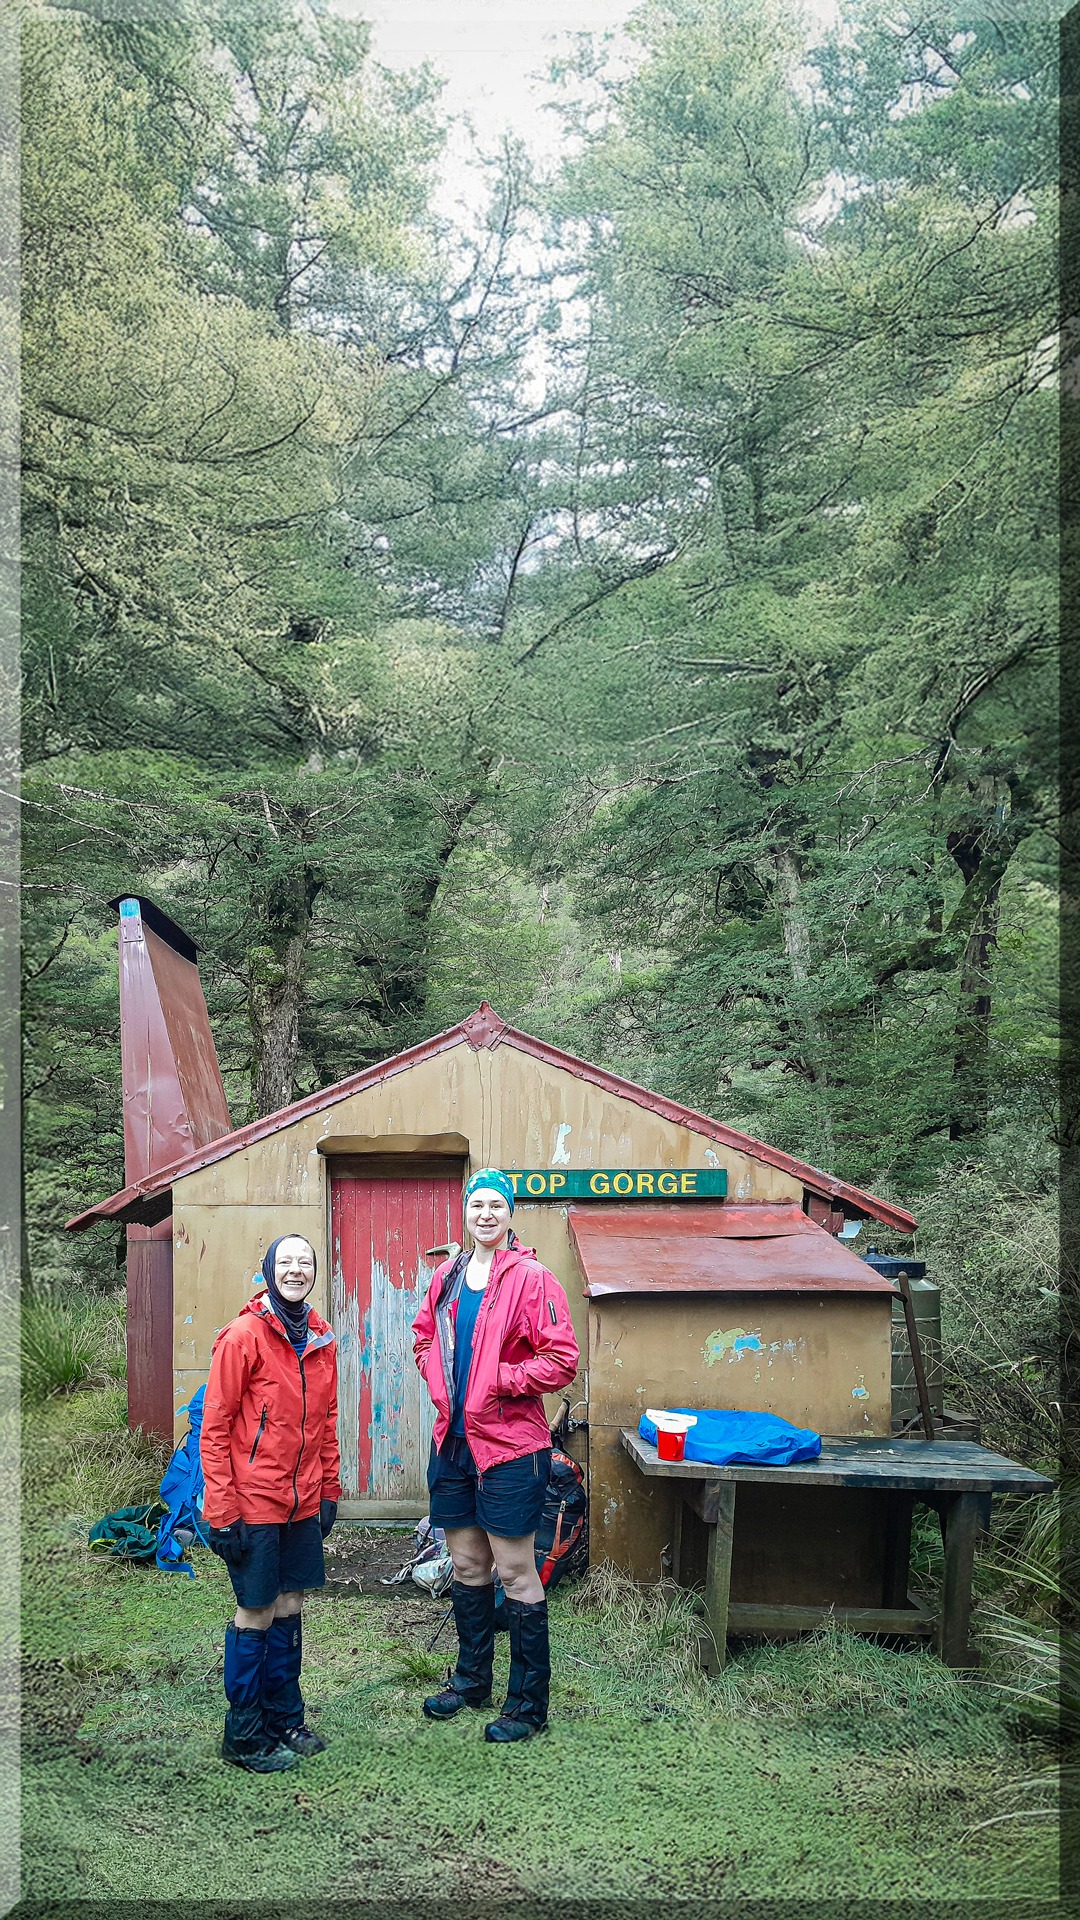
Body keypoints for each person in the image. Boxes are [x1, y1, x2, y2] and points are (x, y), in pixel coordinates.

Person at [412, 1168, 580, 1742]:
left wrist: (500, 1378)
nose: (486, 1214)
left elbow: (561, 1360)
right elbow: (424, 1336)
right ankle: (470, 1680)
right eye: (477, 1204)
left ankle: (528, 1705)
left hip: (510, 1449)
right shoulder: (447, 1276)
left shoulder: (533, 1279)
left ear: (510, 1213)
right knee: (466, 1566)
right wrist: (438, 1381)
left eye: (496, 1206)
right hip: (452, 1444)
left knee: (514, 1570)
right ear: (465, 1210)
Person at [201, 1233, 341, 1773]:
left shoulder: (322, 1338)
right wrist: (222, 1509)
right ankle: (244, 1733)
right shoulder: (243, 1337)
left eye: (305, 1263)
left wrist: (328, 1490)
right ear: (268, 1271)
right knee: (256, 1609)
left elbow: (325, 1424)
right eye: (286, 1262)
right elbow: (212, 1430)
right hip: (253, 1501)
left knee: (291, 1604)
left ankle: (285, 1718)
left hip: (302, 1500)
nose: (296, 1270)